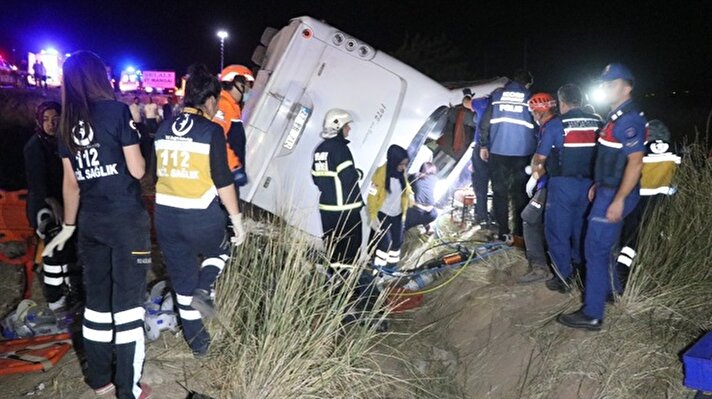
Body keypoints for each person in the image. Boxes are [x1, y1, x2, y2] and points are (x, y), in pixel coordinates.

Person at [42, 51, 152, 398]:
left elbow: (70, 184)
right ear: (98, 77)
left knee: (98, 306)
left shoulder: (65, 124)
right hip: (126, 223)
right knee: (128, 306)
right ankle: (128, 390)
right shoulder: (116, 112)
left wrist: (69, 227)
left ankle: (100, 380)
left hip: (90, 223)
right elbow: (137, 171)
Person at [153, 64, 246, 357]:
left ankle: (199, 344)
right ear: (208, 100)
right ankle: (204, 289)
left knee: (181, 282)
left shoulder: (162, 128)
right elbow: (222, 179)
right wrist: (237, 221)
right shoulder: (211, 130)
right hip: (201, 217)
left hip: (166, 218)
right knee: (221, 250)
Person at [558, 63, 646, 331]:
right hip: (606, 189)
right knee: (602, 248)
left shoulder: (629, 119)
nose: (606, 87)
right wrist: (598, 184)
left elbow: (636, 162)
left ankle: (592, 313)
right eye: (604, 83)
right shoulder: (615, 117)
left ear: (627, 86)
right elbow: (611, 156)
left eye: (612, 83)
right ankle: (611, 291)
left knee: (594, 250)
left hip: (616, 193)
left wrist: (618, 198)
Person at [539, 84, 603, 293]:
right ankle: (580, 270)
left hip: (562, 186)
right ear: (582, 100)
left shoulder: (556, 125)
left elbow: (541, 157)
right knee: (581, 229)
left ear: (561, 102)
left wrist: (535, 176)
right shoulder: (599, 123)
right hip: (591, 186)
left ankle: (563, 277)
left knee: (557, 231)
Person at [24, 101, 81, 310]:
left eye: (56, 119)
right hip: (44, 207)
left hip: (66, 203)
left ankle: (72, 290)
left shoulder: (65, 143)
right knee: (55, 249)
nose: (51, 124)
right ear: (39, 121)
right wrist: (52, 201)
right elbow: (37, 183)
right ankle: (55, 299)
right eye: (46, 119)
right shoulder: (34, 146)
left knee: (72, 249)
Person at [616, 119, 680, 287]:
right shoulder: (676, 153)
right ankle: (663, 273)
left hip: (639, 200)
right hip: (664, 202)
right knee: (663, 237)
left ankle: (622, 272)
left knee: (631, 237)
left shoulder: (640, 152)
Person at [478, 69, 537, 241]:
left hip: (498, 151)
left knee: (499, 193)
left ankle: (503, 231)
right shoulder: (530, 98)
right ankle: (519, 234)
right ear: (527, 84)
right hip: (523, 154)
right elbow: (538, 125)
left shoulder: (497, 96)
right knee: (520, 194)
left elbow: (485, 122)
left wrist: (483, 145)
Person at [311, 108, 364, 265]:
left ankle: (332, 280)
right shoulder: (340, 148)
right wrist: (358, 173)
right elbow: (348, 177)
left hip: (327, 209)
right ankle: (343, 285)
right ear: (339, 127)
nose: (349, 128)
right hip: (345, 210)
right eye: (347, 125)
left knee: (333, 247)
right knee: (350, 248)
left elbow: (316, 179)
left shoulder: (320, 149)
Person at [517, 93, 557, 284]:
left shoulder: (549, 128)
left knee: (529, 218)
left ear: (540, 111)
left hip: (550, 184)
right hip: (558, 183)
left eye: (533, 111)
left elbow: (544, 159)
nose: (532, 115)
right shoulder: (553, 125)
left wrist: (534, 177)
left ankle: (540, 268)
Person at [368, 145, 412, 270]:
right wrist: (372, 216)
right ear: (394, 161)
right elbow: (372, 196)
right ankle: (378, 269)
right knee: (384, 244)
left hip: (397, 215)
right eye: (401, 164)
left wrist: (411, 195)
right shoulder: (380, 174)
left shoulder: (401, 172)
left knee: (397, 242)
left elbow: (406, 186)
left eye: (405, 164)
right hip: (383, 214)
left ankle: (391, 267)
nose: (403, 167)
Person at [213, 64, 253, 188]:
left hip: (227, 175)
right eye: (246, 85)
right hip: (225, 175)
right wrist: (234, 167)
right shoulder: (223, 105)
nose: (248, 89)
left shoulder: (233, 106)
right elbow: (217, 139)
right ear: (236, 83)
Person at [462, 95, 492, 227]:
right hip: (500, 149)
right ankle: (495, 216)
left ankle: (481, 216)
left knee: (480, 184)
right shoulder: (503, 106)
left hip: (481, 147)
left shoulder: (482, 103)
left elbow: (466, 103)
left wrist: (467, 96)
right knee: (498, 186)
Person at [405, 162, 438, 233]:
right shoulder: (435, 180)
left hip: (414, 212)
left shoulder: (415, 176)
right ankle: (428, 228)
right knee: (428, 211)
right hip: (431, 214)